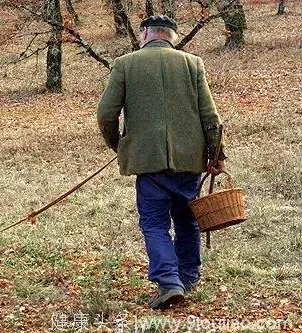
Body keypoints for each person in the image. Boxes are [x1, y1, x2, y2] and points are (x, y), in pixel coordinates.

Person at [97, 15, 227, 309]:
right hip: (189, 160)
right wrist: (217, 156)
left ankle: (169, 283)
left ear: (144, 34)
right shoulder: (193, 63)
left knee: (154, 224)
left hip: (149, 163)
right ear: (172, 36)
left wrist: (120, 145)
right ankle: (189, 276)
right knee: (187, 220)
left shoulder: (125, 64)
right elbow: (211, 117)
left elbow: (106, 114)